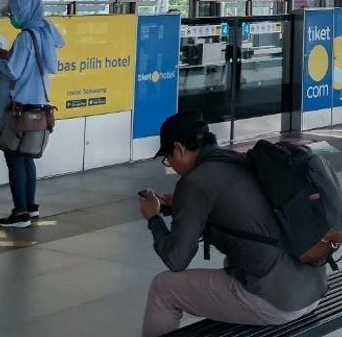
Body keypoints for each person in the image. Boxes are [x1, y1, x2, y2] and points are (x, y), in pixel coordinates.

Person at [138, 112, 326, 337]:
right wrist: (180, 206)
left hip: (279, 301)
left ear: (179, 148)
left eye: (169, 159)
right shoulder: (237, 160)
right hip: (311, 287)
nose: (172, 166)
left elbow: (176, 259)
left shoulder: (195, 182)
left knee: (163, 288)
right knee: (232, 264)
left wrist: (153, 218)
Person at [0, 0, 66, 228]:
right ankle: (31, 207)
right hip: (39, 107)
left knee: (13, 156)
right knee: (26, 157)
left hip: (21, 108)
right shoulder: (45, 32)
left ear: (24, 12)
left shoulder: (25, 36)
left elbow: (13, 71)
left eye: (13, 12)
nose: (11, 16)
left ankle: (20, 213)